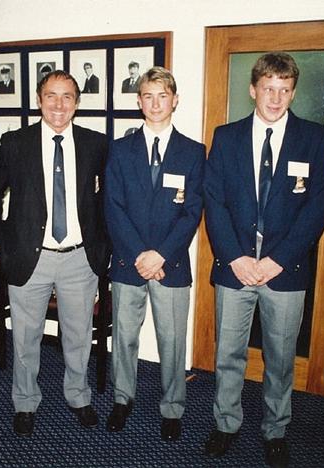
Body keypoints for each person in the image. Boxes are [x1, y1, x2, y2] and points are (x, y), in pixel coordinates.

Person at [203, 52, 324, 467]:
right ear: (253, 89)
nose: (276, 98)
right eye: (268, 88)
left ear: (293, 92)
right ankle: (226, 424)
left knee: (279, 359)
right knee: (229, 355)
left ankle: (275, 429)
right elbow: (214, 201)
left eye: (284, 90)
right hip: (234, 268)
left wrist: (276, 260)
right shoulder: (226, 136)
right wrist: (236, 257)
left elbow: (317, 208)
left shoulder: (315, 138)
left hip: (285, 271)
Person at [0, 70, 109, 437]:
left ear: (77, 102)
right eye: (51, 96)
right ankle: (25, 402)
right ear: (39, 99)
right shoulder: (15, 143)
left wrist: (103, 245)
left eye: (67, 96)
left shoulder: (97, 144)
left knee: (77, 335)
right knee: (26, 337)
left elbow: (109, 200)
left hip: (79, 257)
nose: (59, 104)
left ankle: (78, 396)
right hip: (31, 256)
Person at [104, 66, 204, 441]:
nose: (156, 103)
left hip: (171, 264)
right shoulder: (120, 149)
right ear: (139, 102)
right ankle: (122, 398)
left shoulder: (194, 152)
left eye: (163, 96)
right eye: (148, 96)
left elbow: (192, 210)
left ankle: (173, 407)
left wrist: (160, 255)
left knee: (172, 340)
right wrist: (139, 256)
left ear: (175, 100)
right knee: (125, 336)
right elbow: (113, 207)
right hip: (129, 263)